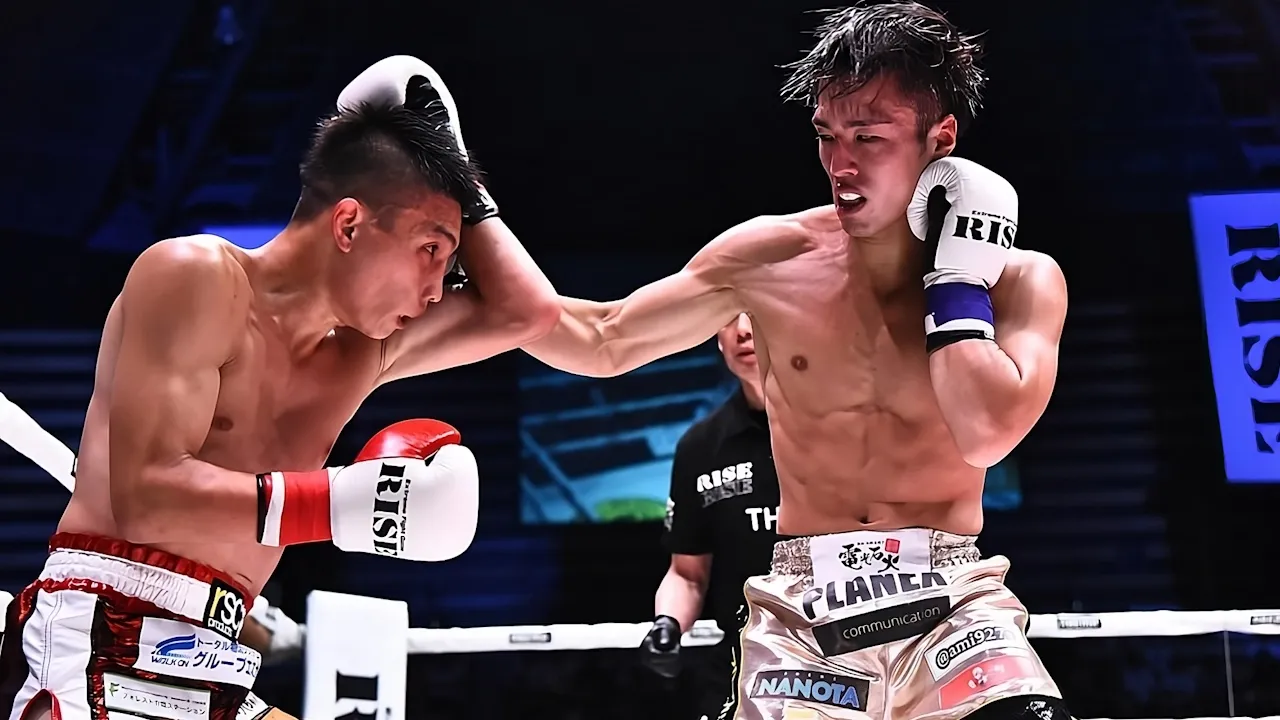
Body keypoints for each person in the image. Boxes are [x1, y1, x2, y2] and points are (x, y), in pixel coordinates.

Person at [524, 4, 1071, 720]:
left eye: (868, 138)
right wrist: (468, 217)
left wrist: (957, 282)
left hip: (951, 600)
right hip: (806, 605)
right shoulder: (769, 259)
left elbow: (986, 434)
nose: (841, 165)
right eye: (826, 135)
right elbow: (601, 337)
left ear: (939, 140)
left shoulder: (1019, 280)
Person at [0, 56, 560, 720]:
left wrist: (455, 177)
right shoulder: (196, 274)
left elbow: (527, 311)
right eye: (432, 252)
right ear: (350, 225)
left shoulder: (357, 352)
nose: (440, 290)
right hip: (104, 637)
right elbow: (146, 497)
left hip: (209, 654)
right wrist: (346, 504)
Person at [638, 314, 780, 720]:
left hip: (847, 652)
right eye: (726, 317)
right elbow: (687, 573)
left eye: (755, 312)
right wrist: (666, 625)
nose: (743, 329)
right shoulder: (700, 447)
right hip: (745, 668)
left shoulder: (843, 428)